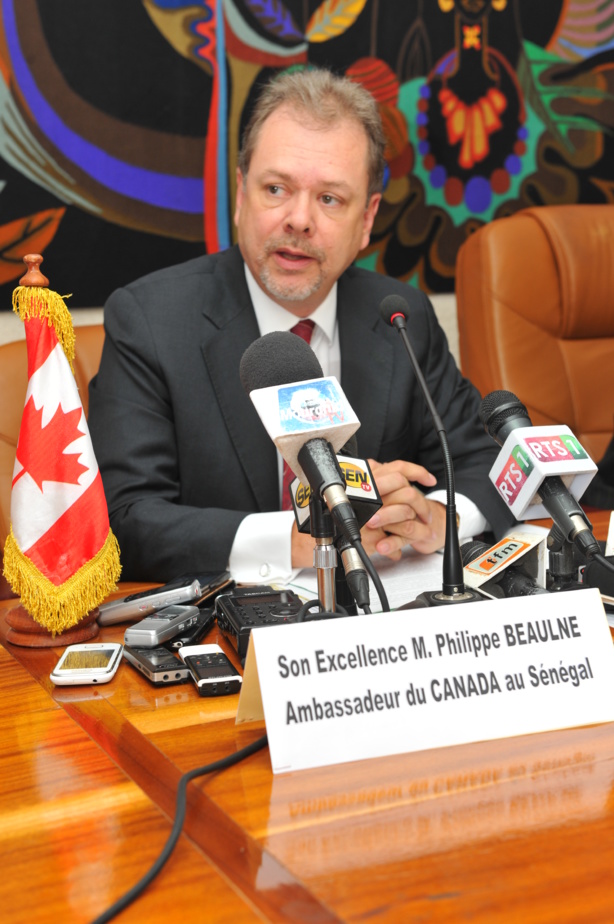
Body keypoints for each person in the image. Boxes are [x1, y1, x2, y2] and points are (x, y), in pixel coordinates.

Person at [88, 67, 515, 584]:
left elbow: (484, 462)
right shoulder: (151, 320)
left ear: (367, 219)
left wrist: (440, 519)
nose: (299, 219)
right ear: (241, 194)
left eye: (330, 198)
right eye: (276, 188)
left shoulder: (401, 316)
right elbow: (127, 518)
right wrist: (303, 537)